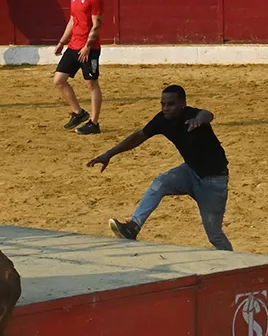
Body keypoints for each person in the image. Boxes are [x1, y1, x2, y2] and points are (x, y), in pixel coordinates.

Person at [88, 83, 233, 250]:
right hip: (190, 172)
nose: (166, 108)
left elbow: (208, 114)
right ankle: (133, 227)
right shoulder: (162, 120)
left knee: (214, 235)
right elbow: (139, 137)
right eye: (163, 104)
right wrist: (109, 154)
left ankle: (237, 264)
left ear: (183, 104)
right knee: (161, 182)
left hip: (214, 182)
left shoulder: (192, 115)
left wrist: (199, 120)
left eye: (171, 104)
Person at [53, 0, 104, 135]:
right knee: (59, 80)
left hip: (89, 48)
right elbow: (73, 21)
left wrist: (88, 47)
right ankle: (79, 113)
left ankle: (94, 123)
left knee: (91, 84)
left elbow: (97, 25)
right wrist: (62, 42)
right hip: (74, 45)